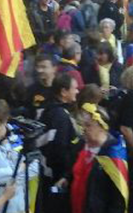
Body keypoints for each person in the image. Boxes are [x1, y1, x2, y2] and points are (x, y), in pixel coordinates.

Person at [0, 100, 39, 213]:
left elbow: (35, 168)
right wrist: (19, 169)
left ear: (4, 121)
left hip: (20, 205)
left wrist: (6, 177)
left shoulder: (20, 138)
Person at [71, 103, 129, 213]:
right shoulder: (82, 145)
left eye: (88, 125)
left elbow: (118, 199)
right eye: (82, 125)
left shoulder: (113, 156)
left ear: (102, 127)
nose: (83, 129)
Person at [39, 73, 81, 212]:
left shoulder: (49, 108)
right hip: (56, 175)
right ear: (63, 92)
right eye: (74, 88)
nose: (77, 91)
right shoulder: (60, 116)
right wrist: (65, 174)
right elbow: (59, 147)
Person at [25, 54, 57, 118]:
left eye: (44, 67)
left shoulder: (61, 88)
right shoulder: (31, 89)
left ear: (54, 68)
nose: (39, 70)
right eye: (37, 67)